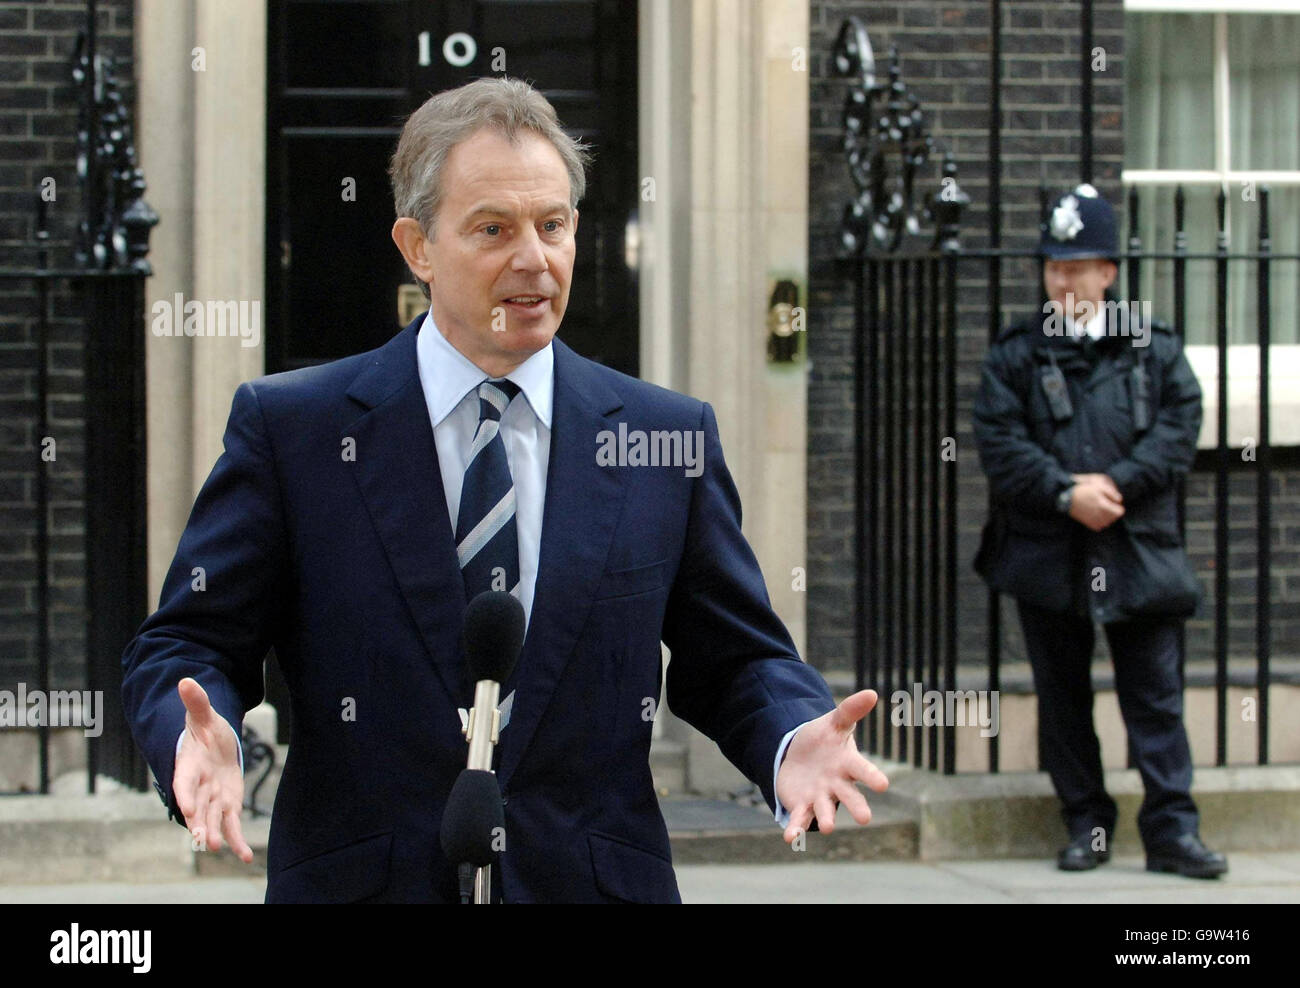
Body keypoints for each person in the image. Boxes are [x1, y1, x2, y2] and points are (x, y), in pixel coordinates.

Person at [120, 77, 889, 903]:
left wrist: (790, 732)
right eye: (493, 228)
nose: (534, 258)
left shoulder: (667, 437)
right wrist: (195, 739)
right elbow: (188, 644)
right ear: (417, 246)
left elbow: (735, 656)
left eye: (552, 225)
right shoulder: (294, 430)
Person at [972, 184, 1226, 879]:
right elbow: (998, 437)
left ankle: (1172, 829)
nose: (1062, 280)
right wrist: (1064, 491)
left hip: (1136, 547)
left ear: (1108, 272)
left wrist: (1117, 486)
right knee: (1063, 699)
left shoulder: (1153, 346)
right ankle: (1087, 825)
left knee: (1155, 696)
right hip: (1049, 552)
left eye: (1077, 267)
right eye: (1053, 267)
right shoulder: (1017, 352)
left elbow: (1182, 422)